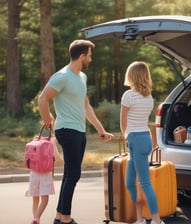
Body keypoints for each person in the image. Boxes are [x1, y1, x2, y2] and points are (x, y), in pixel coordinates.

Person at [38, 39, 114, 224]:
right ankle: (65, 218)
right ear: (81, 56)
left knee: (71, 174)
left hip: (79, 130)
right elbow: (43, 99)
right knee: (73, 174)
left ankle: (59, 216)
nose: (90, 58)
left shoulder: (82, 77)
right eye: (89, 55)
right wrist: (48, 120)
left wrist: (100, 129)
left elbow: (86, 106)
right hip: (66, 129)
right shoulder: (62, 76)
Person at [120, 61, 165, 224]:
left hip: (136, 140)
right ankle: (140, 218)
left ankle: (156, 221)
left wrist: (126, 136)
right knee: (130, 183)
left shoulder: (128, 95)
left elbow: (123, 122)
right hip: (144, 139)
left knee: (144, 182)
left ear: (132, 76)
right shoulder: (149, 97)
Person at [26, 137, 63, 224]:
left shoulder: (35, 139)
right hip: (46, 173)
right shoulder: (52, 141)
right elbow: (57, 159)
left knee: (35, 198)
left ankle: (35, 218)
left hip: (34, 172)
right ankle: (37, 218)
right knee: (45, 199)